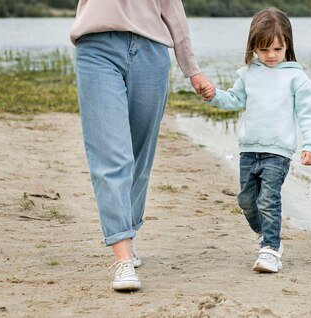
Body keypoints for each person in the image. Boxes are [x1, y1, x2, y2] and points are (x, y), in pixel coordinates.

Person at [70, 0, 211, 291]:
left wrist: (192, 69)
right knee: (111, 156)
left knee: (139, 157)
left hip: (151, 50)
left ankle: (128, 231)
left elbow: (172, 9)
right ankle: (121, 257)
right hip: (97, 48)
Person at [200, 7, 311, 273]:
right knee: (246, 200)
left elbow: (309, 115)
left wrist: (310, 145)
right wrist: (213, 95)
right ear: (253, 46)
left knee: (269, 199)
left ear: (287, 45)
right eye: (264, 49)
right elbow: (234, 99)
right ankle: (266, 234)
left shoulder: (296, 78)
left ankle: (270, 248)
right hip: (249, 150)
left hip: (278, 152)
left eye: (277, 49)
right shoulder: (247, 74)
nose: (271, 56)